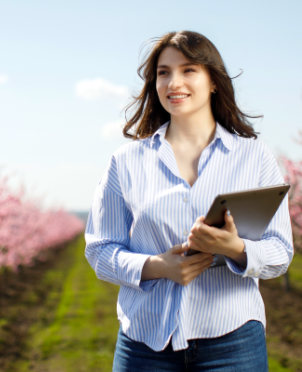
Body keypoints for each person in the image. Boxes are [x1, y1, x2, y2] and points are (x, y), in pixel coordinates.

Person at [84, 30, 293, 371]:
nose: (173, 82)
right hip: (144, 344)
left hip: (233, 341)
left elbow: (281, 252)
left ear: (213, 81)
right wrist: (157, 267)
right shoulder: (125, 161)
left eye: (188, 70)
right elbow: (99, 249)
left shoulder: (254, 157)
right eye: (163, 72)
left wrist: (235, 248)